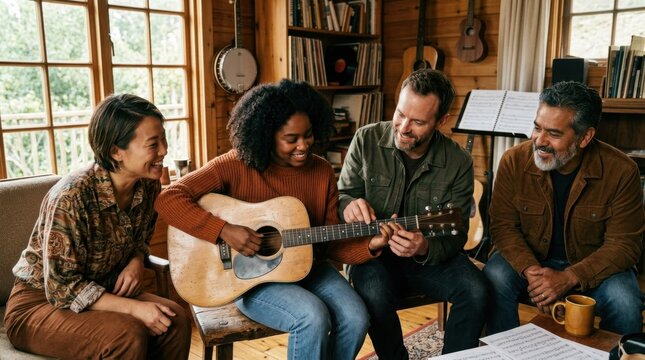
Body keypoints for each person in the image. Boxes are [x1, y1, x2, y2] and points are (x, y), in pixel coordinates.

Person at [155, 79, 384, 360]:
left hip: (311, 269)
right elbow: (169, 198)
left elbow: (328, 243)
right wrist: (224, 230)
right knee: (312, 317)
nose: (303, 145)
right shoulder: (235, 165)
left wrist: (370, 245)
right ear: (266, 135)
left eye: (309, 135)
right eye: (291, 139)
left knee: (356, 316)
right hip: (251, 280)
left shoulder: (322, 171)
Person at [4, 94, 191, 359]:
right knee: (126, 334)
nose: (164, 150)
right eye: (153, 143)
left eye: (163, 139)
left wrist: (136, 259)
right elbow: (60, 287)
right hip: (40, 304)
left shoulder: (148, 184)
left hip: (102, 292)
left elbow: (141, 239)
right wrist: (133, 308)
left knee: (175, 320)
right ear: (116, 151)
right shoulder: (71, 197)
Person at [337, 69, 489, 357]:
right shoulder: (365, 139)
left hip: (426, 259)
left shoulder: (459, 162)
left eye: (418, 122)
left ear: (441, 121)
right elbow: (342, 196)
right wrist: (348, 205)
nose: (404, 127)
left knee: (477, 290)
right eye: (400, 113)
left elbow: (456, 235)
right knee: (373, 294)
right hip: (371, 256)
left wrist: (424, 247)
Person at [484, 81, 645, 335]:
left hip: (592, 266)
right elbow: (503, 227)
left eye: (554, 134)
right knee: (494, 276)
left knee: (625, 302)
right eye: (537, 128)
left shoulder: (622, 171)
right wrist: (533, 273)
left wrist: (569, 277)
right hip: (531, 260)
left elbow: (624, 246)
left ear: (585, 137)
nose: (539, 140)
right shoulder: (513, 161)